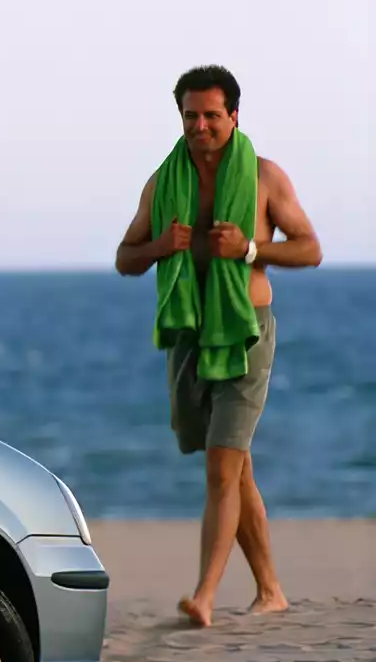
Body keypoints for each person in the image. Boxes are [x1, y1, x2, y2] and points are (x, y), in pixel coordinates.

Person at [115, 66, 322, 626]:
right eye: (191, 115)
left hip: (245, 331)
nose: (200, 125)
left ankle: (203, 595)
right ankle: (271, 591)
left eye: (211, 115)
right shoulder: (162, 183)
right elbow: (125, 258)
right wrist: (161, 245)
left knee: (221, 468)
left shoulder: (264, 177)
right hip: (190, 335)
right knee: (236, 467)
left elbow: (309, 249)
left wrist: (250, 250)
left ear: (234, 115)